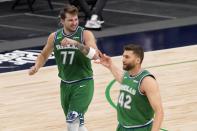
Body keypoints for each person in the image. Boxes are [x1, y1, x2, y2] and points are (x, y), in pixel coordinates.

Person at [28, 4, 101, 131]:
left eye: (76, 19)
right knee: (79, 125)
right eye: (70, 20)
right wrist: (36, 66)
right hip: (65, 85)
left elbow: (95, 55)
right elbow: (44, 54)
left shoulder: (85, 34)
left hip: (83, 83)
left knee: (71, 122)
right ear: (62, 21)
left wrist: (76, 44)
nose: (74, 23)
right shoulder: (54, 37)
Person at [96, 44, 164, 131]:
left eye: (127, 57)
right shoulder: (128, 75)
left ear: (137, 60)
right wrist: (110, 65)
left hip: (140, 128)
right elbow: (122, 79)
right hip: (122, 127)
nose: (123, 60)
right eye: (123, 56)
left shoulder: (147, 81)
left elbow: (159, 111)